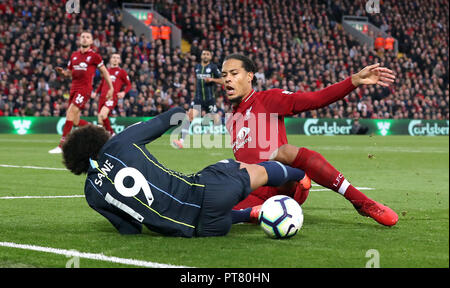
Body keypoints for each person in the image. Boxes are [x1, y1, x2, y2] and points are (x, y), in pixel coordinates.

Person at [61, 107, 308, 237]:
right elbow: (164, 121)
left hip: (201, 230)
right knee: (246, 168)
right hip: (209, 192)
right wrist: (186, 113)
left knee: (186, 212)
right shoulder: (118, 143)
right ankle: (300, 176)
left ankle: (246, 214)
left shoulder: (91, 194)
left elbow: (130, 230)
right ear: (96, 138)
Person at [221, 54, 398, 226]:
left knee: (283, 152)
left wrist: (354, 80)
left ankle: (362, 202)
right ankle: (256, 212)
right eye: (224, 75)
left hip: (284, 183)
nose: (227, 79)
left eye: (234, 73)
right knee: (215, 200)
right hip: (254, 193)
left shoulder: (268, 100)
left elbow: (316, 99)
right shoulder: (231, 121)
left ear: (249, 76)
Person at [49, 31, 114, 154]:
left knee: (70, 112)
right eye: (83, 37)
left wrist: (111, 88)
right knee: (75, 121)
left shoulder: (94, 56)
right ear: (79, 40)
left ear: (91, 41)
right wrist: (62, 73)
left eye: (87, 37)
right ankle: (98, 130)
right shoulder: (74, 55)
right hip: (73, 88)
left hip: (84, 89)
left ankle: (62, 145)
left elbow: (105, 72)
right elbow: (69, 73)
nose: (85, 39)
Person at [172, 49, 223, 149]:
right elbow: (196, 81)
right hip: (198, 99)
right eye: (204, 54)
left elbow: (222, 80)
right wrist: (194, 93)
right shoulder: (197, 67)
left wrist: (212, 79)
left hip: (210, 99)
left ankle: (221, 140)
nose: (205, 55)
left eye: (207, 54)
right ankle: (182, 141)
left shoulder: (213, 67)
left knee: (215, 119)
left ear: (210, 57)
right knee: (189, 117)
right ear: (201, 56)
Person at [93, 53, 132, 135]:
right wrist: (96, 92)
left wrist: (124, 92)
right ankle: (106, 137)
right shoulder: (106, 71)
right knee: (100, 119)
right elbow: (102, 84)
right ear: (110, 59)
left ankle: (111, 134)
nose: (115, 59)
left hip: (112, 97)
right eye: (113, 57)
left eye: (117, 58)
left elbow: (129, 85)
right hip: (102, 97)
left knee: (103, 115)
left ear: (120, 61)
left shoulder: (122, 72)